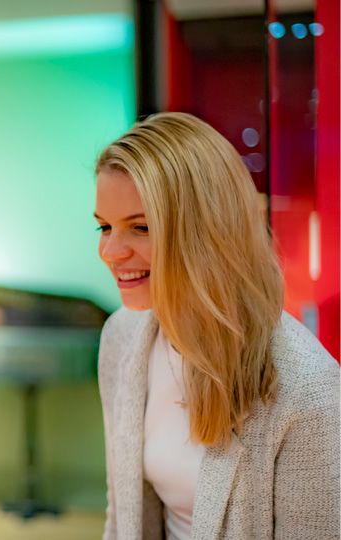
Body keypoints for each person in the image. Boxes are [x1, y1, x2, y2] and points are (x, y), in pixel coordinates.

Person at [93, 112, 339, 540]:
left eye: (141, 228)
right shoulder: (122, 336)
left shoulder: (308, 388)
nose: (110, 251)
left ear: (206, 231)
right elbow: (123, 514)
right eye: (104, 226)